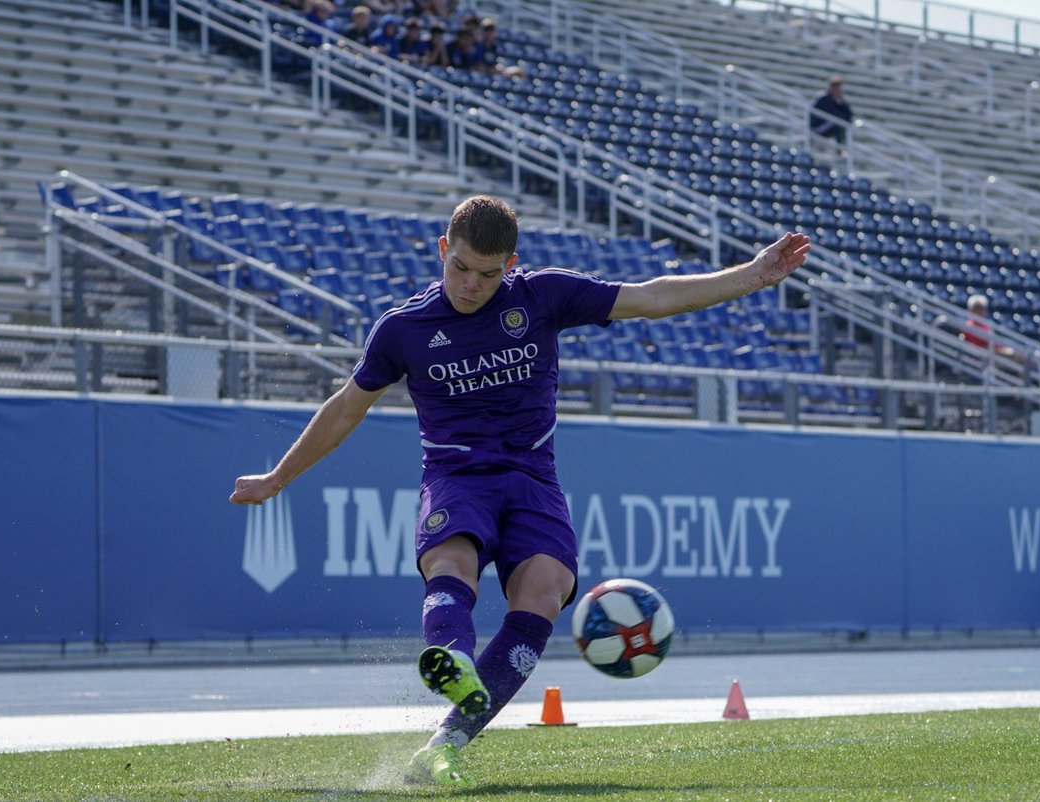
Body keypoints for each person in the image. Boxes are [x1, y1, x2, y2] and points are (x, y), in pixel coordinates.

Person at [230, 196, 811, 788]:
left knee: (545, 593)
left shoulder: (543, 296)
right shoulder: (402, 329)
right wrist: (279, 477)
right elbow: (344, 411)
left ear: (512, 262)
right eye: (459, 267)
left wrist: (751, 275)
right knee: (451, 560)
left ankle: (445, 742)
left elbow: (652, 296)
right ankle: (452, 658)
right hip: (457, 477)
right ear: (442, 250)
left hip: (534, 480)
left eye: (489, 273)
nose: (471, 284)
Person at [960, 293, 1020, 361]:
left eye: (981, 308)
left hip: (995, 351)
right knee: (1015, 355)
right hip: (987, 355)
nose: (980, 311)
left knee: (1019, 352)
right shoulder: (969, 326)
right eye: (976, 308)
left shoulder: (985, 325)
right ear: (971, 310)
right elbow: (978, 346)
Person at [810, 76, 853, 148]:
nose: (838, 90)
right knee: (838, 123)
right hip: (817, 127)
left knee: (842, 125)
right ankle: (840, 150)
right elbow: (835, 114)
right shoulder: (824, 98)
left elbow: (849, 117)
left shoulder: (839, 100)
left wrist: (841, 102)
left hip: (828, 126)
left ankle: (842, 148)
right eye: (836, 88)